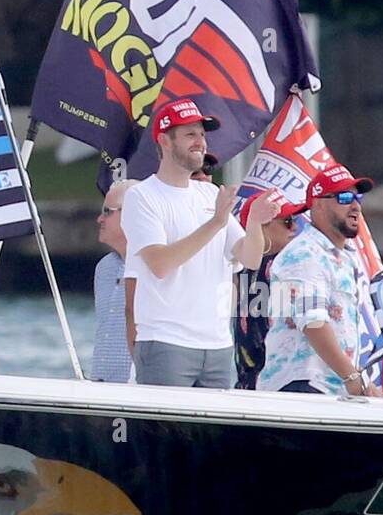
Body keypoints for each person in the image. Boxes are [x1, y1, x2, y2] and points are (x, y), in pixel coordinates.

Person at [122, 97, 282, 387]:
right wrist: (216, 223)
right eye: (190, 134)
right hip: (166, 341)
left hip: (218, 343)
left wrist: (256, 222)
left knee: (212, 434)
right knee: (165, 432)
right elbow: (159, 263)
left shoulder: (208, 196)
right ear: (164, 141)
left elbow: (249, 258)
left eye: (202, 134)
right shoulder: (142, 197)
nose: (201, 142)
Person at [258, 163, 382, 396]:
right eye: (344, 198)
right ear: (318, 205)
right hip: (302, 387)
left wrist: (359, 380)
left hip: (332, 389)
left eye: (358, 198)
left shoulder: (346, 256)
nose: (355, 206)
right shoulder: (303, 254)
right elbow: (313, 323)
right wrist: (353, 377)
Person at [234, 197, 302, 389]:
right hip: (272, 385)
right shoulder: (277, 267)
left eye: (296, 221)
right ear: (261, 227)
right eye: (288, 222)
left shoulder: (237, 267)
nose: (295, 228)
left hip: (250, 382)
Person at [91, 178, 137, 383]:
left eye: (107, 211)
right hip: (101, 386)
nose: (100, 219)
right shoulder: (104, 267)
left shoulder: (157, 266)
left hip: (138, 388)